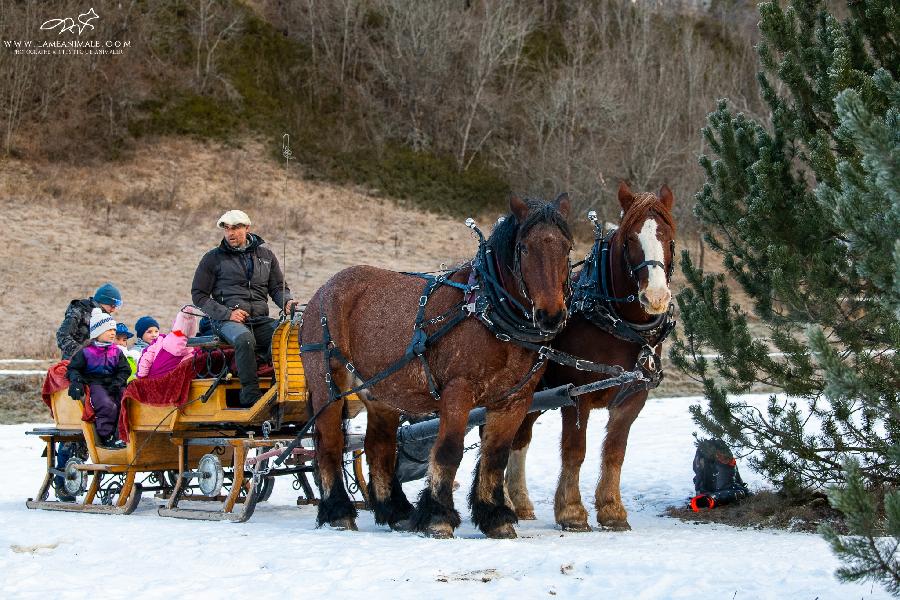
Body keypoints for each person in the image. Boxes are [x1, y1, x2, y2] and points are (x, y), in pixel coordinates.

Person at [191, 210, 297, 406]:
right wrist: (228, 314)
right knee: (244, 339)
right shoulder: (212, 259)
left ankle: (279, 390)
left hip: (259, 319)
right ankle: (251, 397)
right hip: (223, 321)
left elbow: (277, 288)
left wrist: (287, 302)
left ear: (247, 228)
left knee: (286, 335)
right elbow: (199, 295)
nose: (230, 233)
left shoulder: (266, 256)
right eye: (227, 229)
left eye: (236, 228)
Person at [53, 282, 122, 500]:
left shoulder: (104, 319)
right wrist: (85, 356)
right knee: (74, 431)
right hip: (79, 368)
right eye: (115, 304)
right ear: (107, 301)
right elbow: (63, 337)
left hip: (99, 372)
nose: (116, 309)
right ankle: (63, 481)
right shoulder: (78, 311)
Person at [66, 309, 131, 449]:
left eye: (113, 329)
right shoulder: (86, 352)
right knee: (107, 405)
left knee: (126, 403)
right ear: (97, 332)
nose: (113, 332)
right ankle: (106, 436)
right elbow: (73, 368)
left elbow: (125, 370)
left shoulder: (117, 351)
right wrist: (76, 381)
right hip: (96, 384)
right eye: (108, 329)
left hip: (114, 384)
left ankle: (122, 436)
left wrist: (118, 382)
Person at [56, 283, 122, 359]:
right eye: (112, 306)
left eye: (115, 306)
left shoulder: (106, 317)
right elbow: (62, 336)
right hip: (74, 364)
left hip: (97, 364)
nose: (113, 310)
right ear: (103, 301)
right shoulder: (78, 311)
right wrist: (83, 354)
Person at [137, 305, 202, 379]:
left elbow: (146, 359)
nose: (154, 335)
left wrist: (142, 377)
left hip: (152, 380)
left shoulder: (160, 340)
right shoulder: (193, 351)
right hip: (170, 385)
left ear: (175, 323)